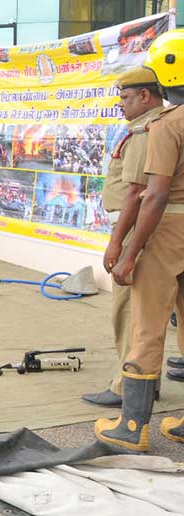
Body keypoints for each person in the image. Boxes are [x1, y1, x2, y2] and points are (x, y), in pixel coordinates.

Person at [96, 30, 184, 450]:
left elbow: (152, 195)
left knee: (147, 326)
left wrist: (127, 253)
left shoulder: (167, 126)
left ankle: (132, 428)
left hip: (167, 233)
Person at [82, 68, 165, 408]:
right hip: (147, 227)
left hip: (137, 228)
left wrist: (119, 244)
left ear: (146, 96)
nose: (121, 105)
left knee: (129, 310)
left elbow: (136, 193)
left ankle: (127, 385)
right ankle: (145, 382)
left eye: (126, 98)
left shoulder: (147, 130)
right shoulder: (157, 125)